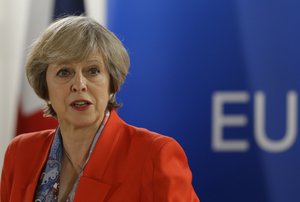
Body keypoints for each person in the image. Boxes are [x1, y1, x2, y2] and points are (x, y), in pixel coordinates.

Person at [0, 16, 199, 202]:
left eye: (93, 71)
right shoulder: (21, 153)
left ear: (111, 83)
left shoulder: (154, 155)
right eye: (64, 72)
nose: (79, 84)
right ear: (45, 87)